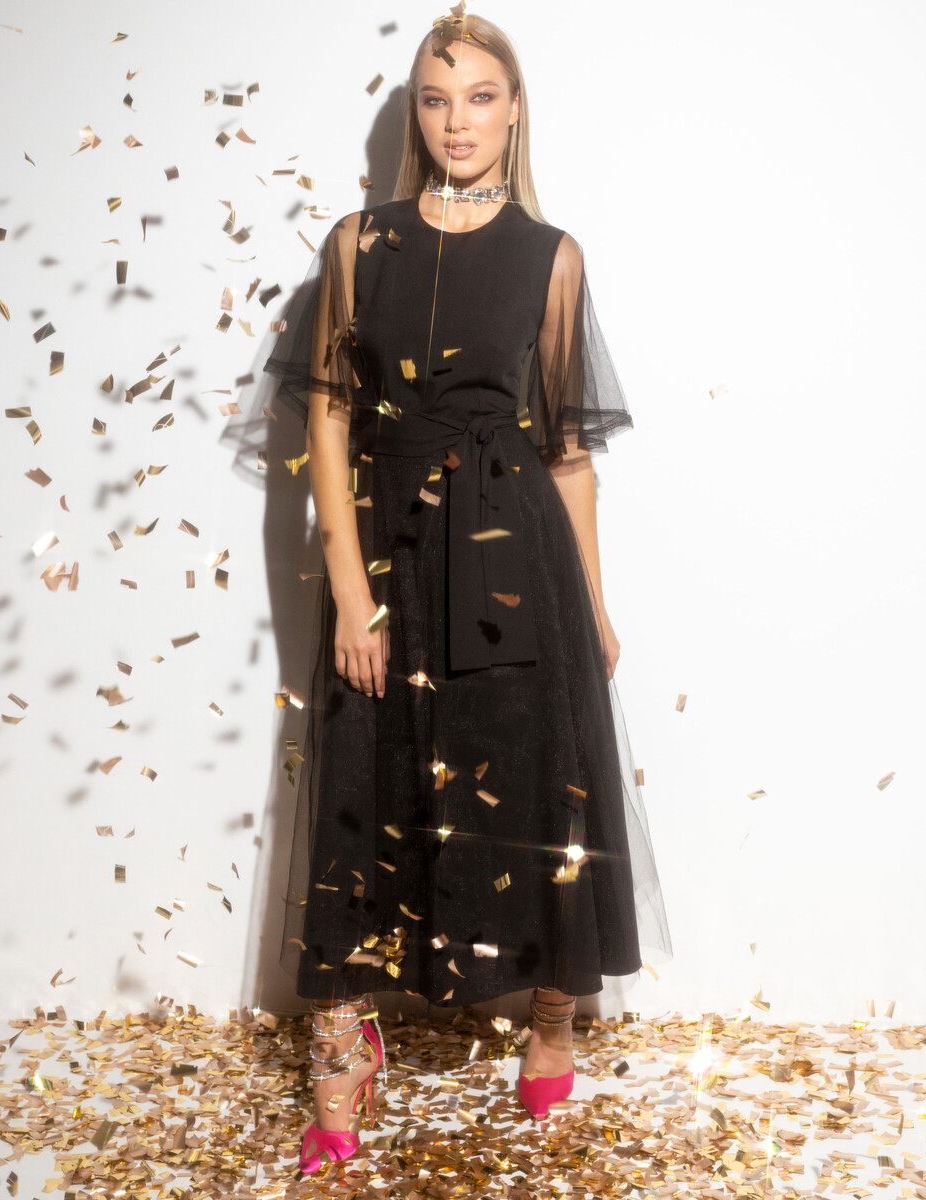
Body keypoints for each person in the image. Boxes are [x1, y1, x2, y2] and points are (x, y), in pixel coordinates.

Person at [225, 6, 671, 1177]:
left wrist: (595, 603)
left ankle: (551, 1020)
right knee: (361, 783)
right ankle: (342, 1050)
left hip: (519, 553)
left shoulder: (552, 255)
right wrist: (350, 590)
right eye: (436, 98)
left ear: (513, 112)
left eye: (479, 97)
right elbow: (327, 418)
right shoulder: (357, 245)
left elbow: (566, 451)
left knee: (534, 776)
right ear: (414, 116)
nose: (457, 122)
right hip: (390, 551)